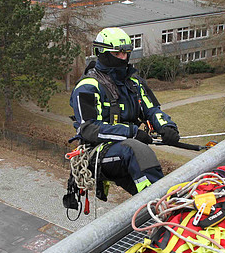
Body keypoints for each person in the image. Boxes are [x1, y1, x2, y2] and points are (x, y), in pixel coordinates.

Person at [70, 28, 180, 197]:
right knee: (135, 150)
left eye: (126, 53)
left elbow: (151, 109)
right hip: (98, 153)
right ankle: (159, 200)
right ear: (102, 53)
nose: (123, 58)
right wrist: (132, 133)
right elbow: (90, 129)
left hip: (126, 151)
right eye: (118, 54)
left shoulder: (134, 82)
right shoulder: (88, 87)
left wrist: (167, 127)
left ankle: (154, 206)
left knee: (141, 180)